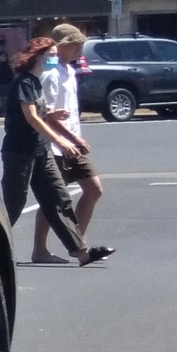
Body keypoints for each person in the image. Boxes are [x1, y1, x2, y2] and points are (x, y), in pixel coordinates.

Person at [2, 36, 113, 267]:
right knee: (14, 203)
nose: (54, 58)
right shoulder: (24, 82)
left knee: (59, 198)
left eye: (55, 54)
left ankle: (82, 252)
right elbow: (30, 117)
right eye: (50, 55)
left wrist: (51, 116)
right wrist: (61, 141)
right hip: (20, 153)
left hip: (41, 151)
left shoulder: (36, 81)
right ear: (38, 56)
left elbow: (38, 114)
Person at [34, 24, 105, 263]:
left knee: (93, 189)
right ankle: (40, 249)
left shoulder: (69, 71)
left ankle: (78, 244)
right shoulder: (50, 75)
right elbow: (47, 116)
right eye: (75, 45)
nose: (79, 49)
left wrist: (75, 137)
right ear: (61, 46)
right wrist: (71, 139)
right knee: (51, 199)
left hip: (73, 143)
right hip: (56, 145)